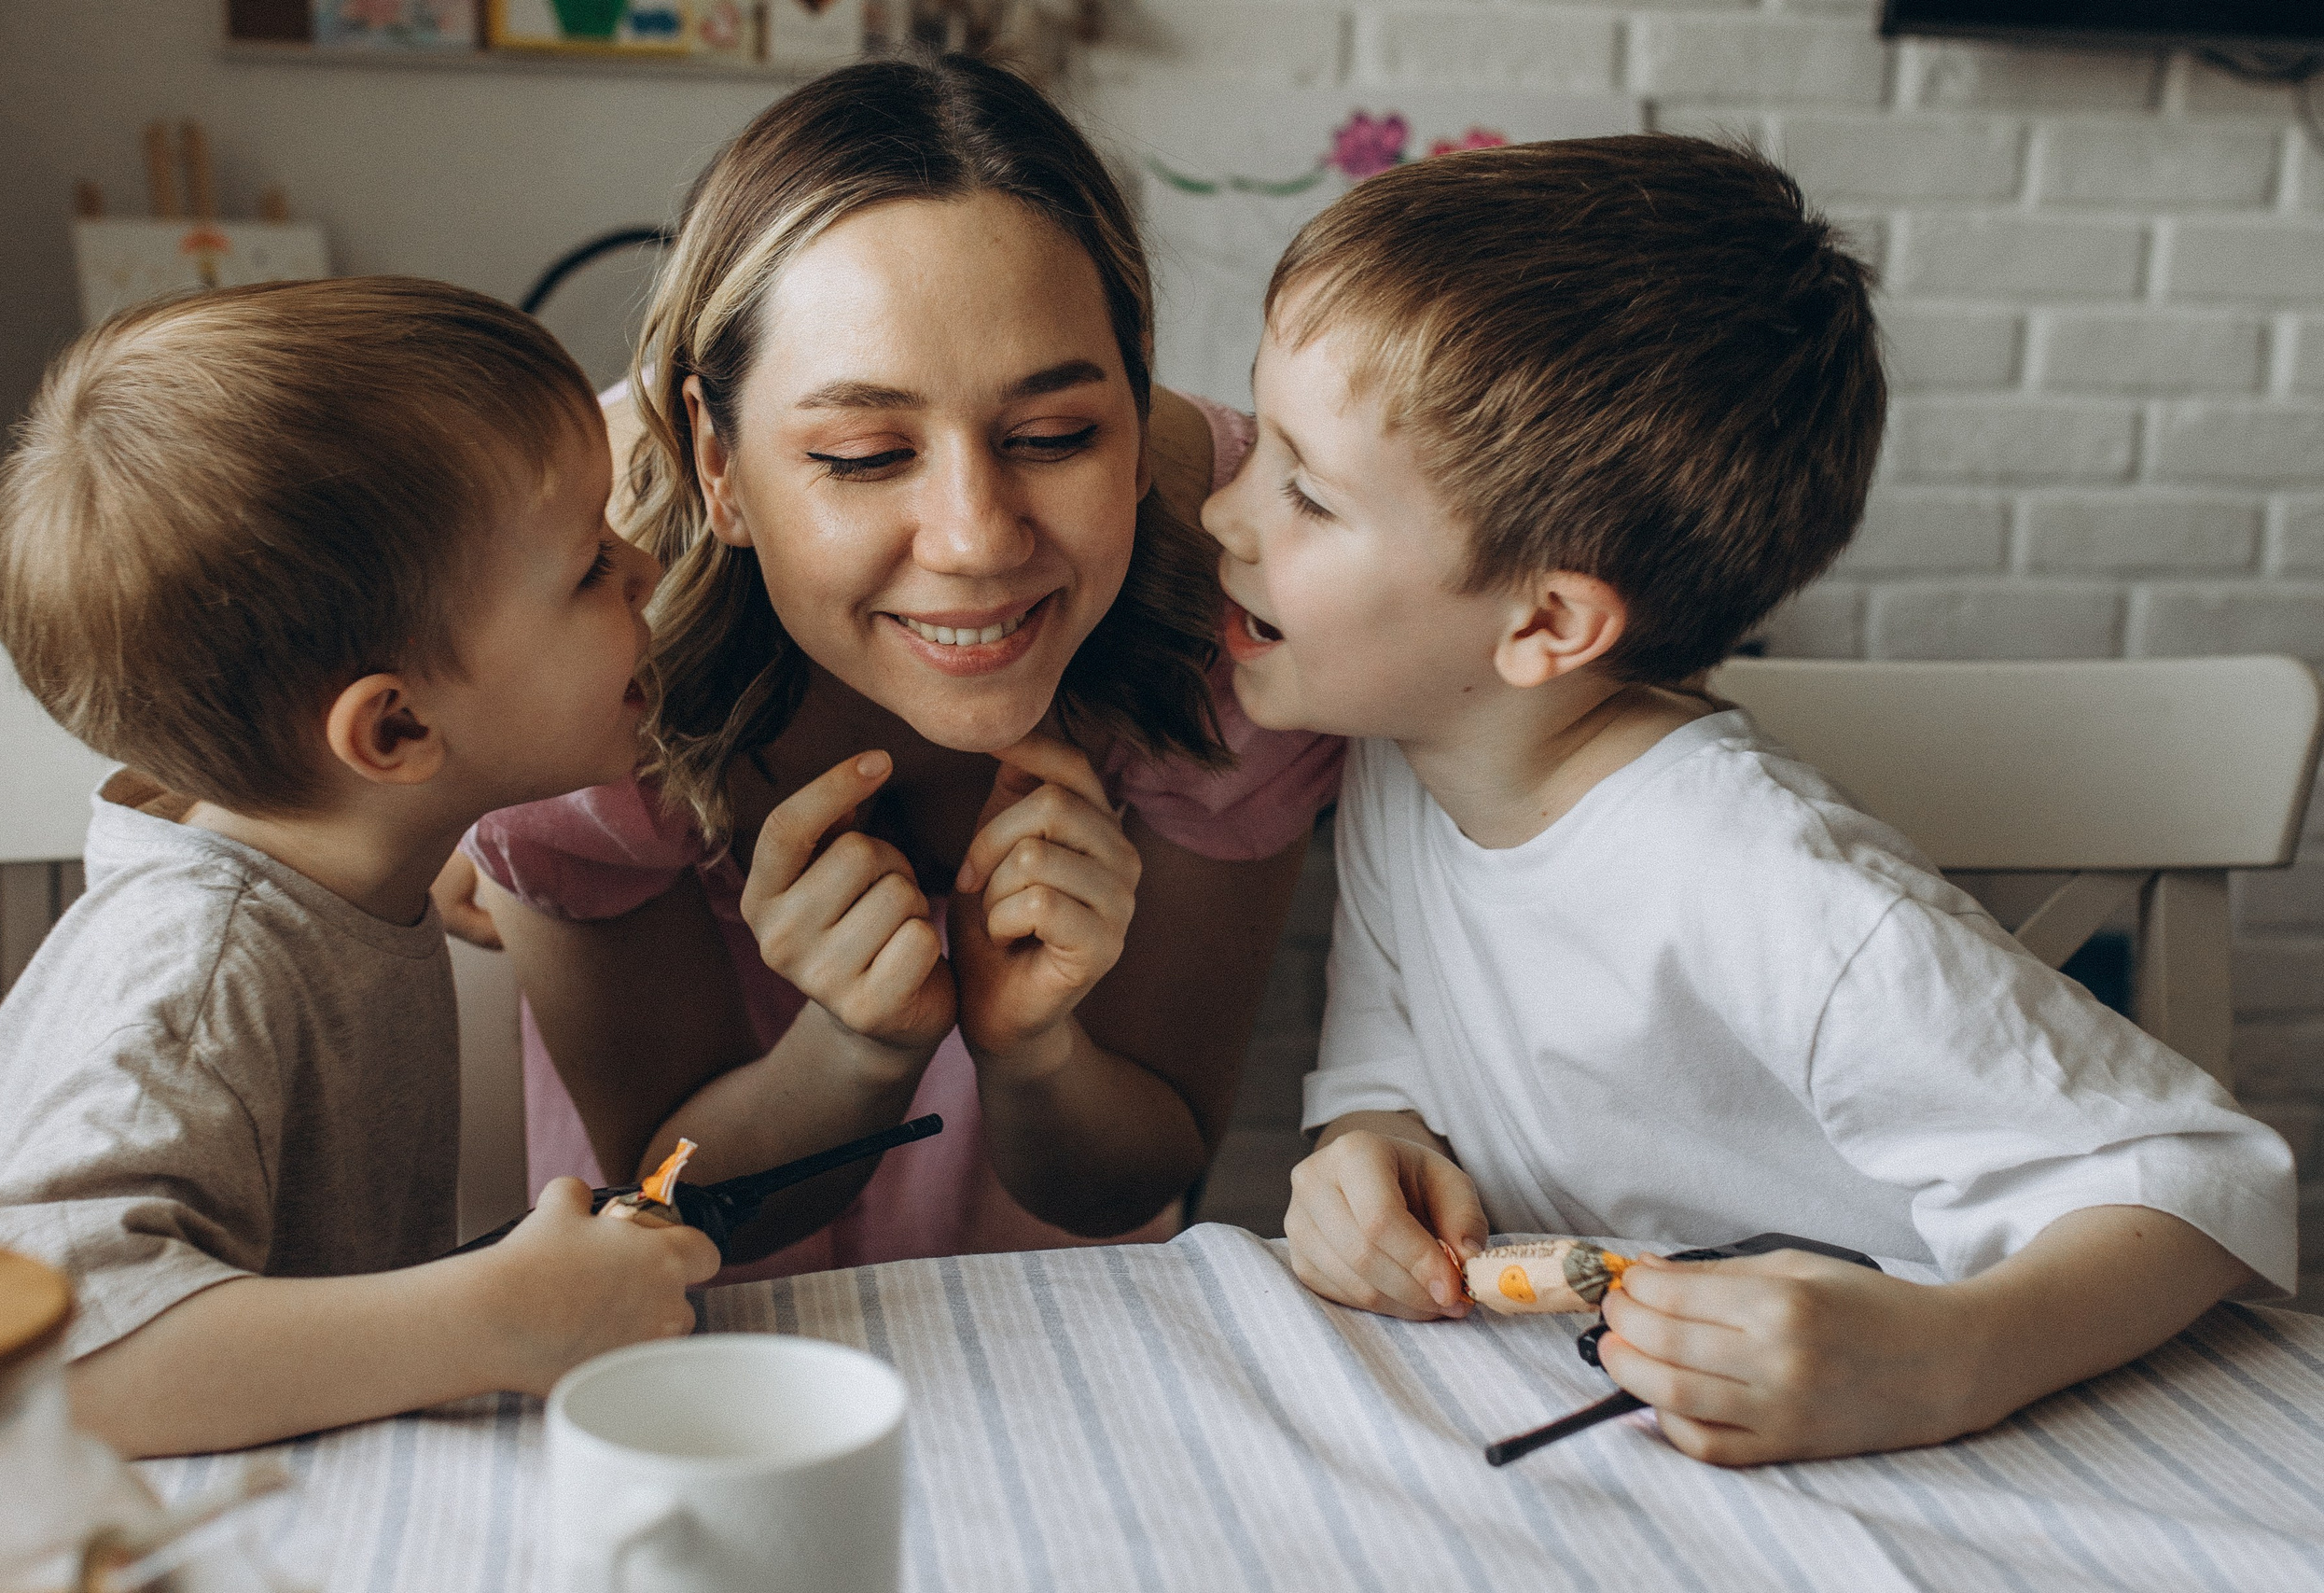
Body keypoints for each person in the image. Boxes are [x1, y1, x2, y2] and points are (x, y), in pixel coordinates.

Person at [1207, 134, 2296, 1465]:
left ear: (1545, 621)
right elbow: (1396, 1060)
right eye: (1260, 443)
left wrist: (1953, 1359)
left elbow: (2210, 1176)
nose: (1225, 512)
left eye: (1306, 492)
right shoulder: (1404, 751)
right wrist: (1367, 1142)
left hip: (1953, 1463)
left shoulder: (1762, 878)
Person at [449, 55, 1342, 1276]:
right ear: (718, 465)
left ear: (1138, 420)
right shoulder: (573, 640)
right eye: (867, 452)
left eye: (1054, 435)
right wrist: (852, 1050)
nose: (975, 537)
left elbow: (1142, 1166)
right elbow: (665, 1195)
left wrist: (1038, 1050)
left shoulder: (1241, 613)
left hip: (1056, 1326)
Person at [0, 279, 720, 1458]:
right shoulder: (202, 973)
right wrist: (497, 1317)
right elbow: (50, 1362)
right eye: (586, 568)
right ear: (395, 732)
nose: (644, 569)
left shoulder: (342, 875)